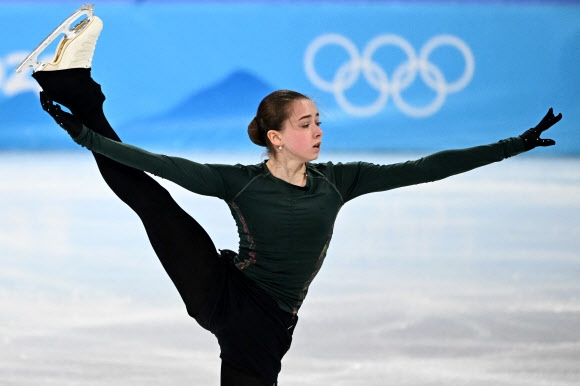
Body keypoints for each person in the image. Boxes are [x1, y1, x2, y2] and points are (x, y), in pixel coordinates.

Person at [23, 8, 562, 386]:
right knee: (152, 201)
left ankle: (73, 86)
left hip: (266, 324)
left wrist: (513, 144)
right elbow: (158, 166)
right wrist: (86, 135)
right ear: (277, 137)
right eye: (306, 124)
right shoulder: (241, 181)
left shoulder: (340, 180)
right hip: (224, 291)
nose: (318, 131)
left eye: (320, 121)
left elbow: (425, 168)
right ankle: (73, 84)